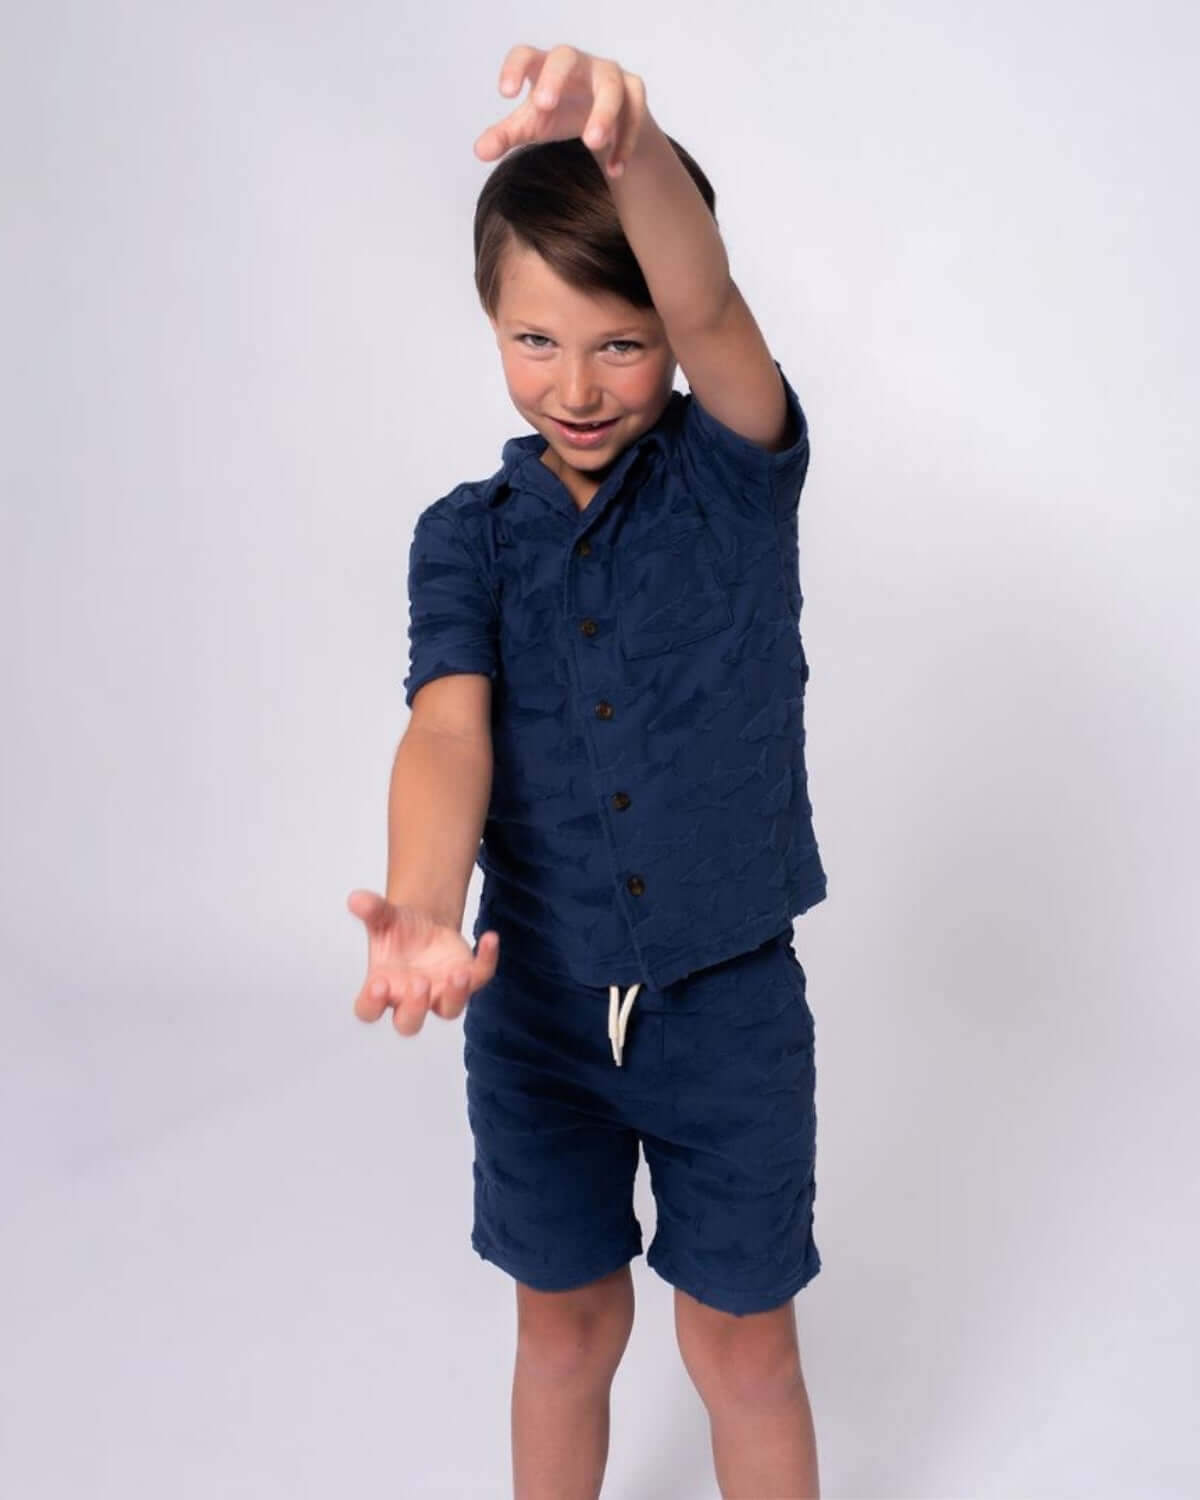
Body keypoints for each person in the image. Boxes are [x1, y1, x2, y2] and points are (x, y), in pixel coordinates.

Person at [348, 42, 828, 1500]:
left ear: (670, 341)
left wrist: (635, 153)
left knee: (741, 1345)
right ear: (492, 321)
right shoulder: (465, 535)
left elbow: (712, 296)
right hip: (540, 1016)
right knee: (564, 1324)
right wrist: (428, 903)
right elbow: (449, 725)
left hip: (726, 1003)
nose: (578, 384)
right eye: (536, 339)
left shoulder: (731, 471)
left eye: (620, 342)